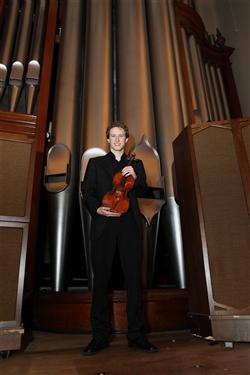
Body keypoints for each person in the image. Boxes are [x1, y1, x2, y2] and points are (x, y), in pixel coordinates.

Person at [81, 121, 158, 355]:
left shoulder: (137, 164)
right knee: (101, 282)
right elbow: (88, 193)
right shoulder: (95, 163)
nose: (116, 139)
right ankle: (100, 336)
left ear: (126, 140)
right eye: (112, 136)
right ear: (107, 139)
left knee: (134, 281)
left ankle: (137, 336)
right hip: (104, 225)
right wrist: (97, 209)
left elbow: (145, 191)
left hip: (129, 228)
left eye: (120, 136)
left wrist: (136, 177)